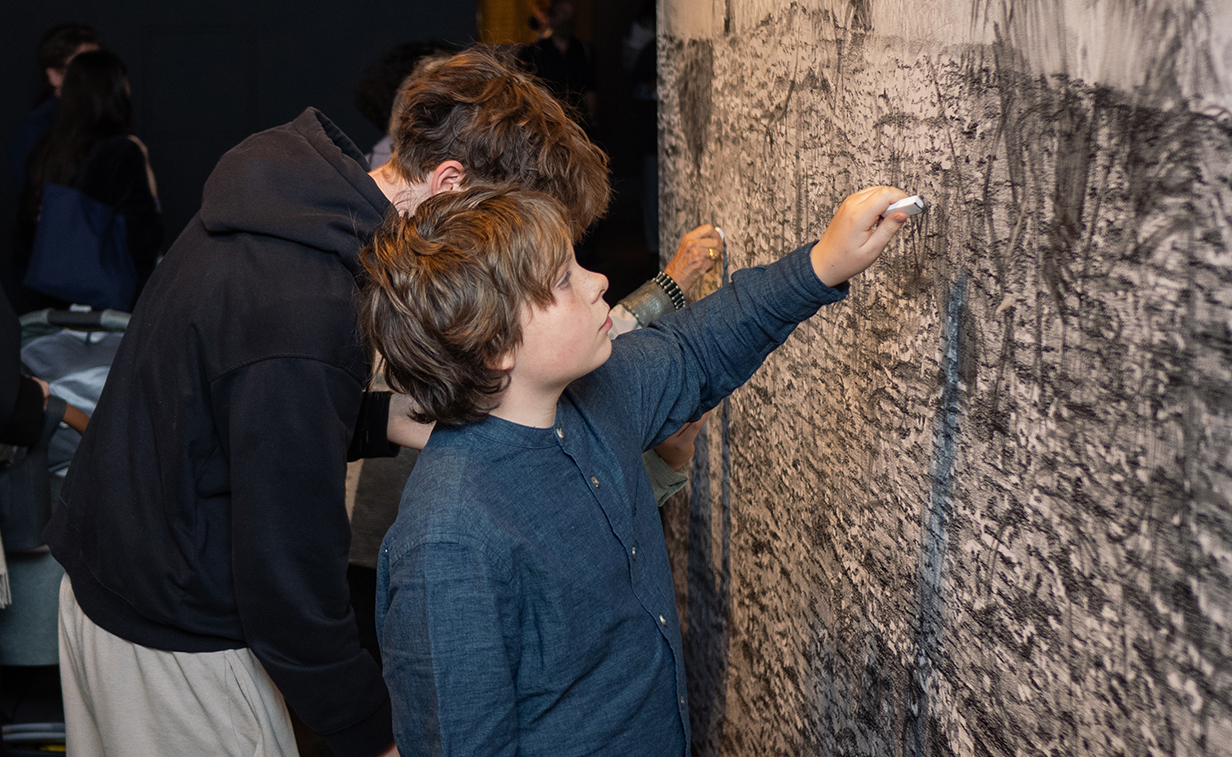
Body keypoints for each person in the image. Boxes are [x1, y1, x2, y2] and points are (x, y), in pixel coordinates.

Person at [44, 47, 610, 757]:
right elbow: (288, 586)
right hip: (173, 639)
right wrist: (371, 733)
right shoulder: (309, 305)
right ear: (449, 182)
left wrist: (373, 419)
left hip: (115, 584)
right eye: (506, 237)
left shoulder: (287, 197)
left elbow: (226, 411)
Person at [362, 184, 912, 753]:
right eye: (562, 280)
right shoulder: (447, 546)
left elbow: (696, 348)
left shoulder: (595, 395)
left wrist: (822, 263)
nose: (598, 280)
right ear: (496, 346)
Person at [15, 49, 162, 312]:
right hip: (110, 308)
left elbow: (26, 228)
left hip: (49, 305)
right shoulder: (122, 151)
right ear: (116, 90)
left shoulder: (45, 151)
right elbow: (144, 239)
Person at [6, 23, 101, 188]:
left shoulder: (103, 120)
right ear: (54, 75)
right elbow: (36, 198)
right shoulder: (34, 130)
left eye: (99, 67)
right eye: (84, 69)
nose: (96, 77)